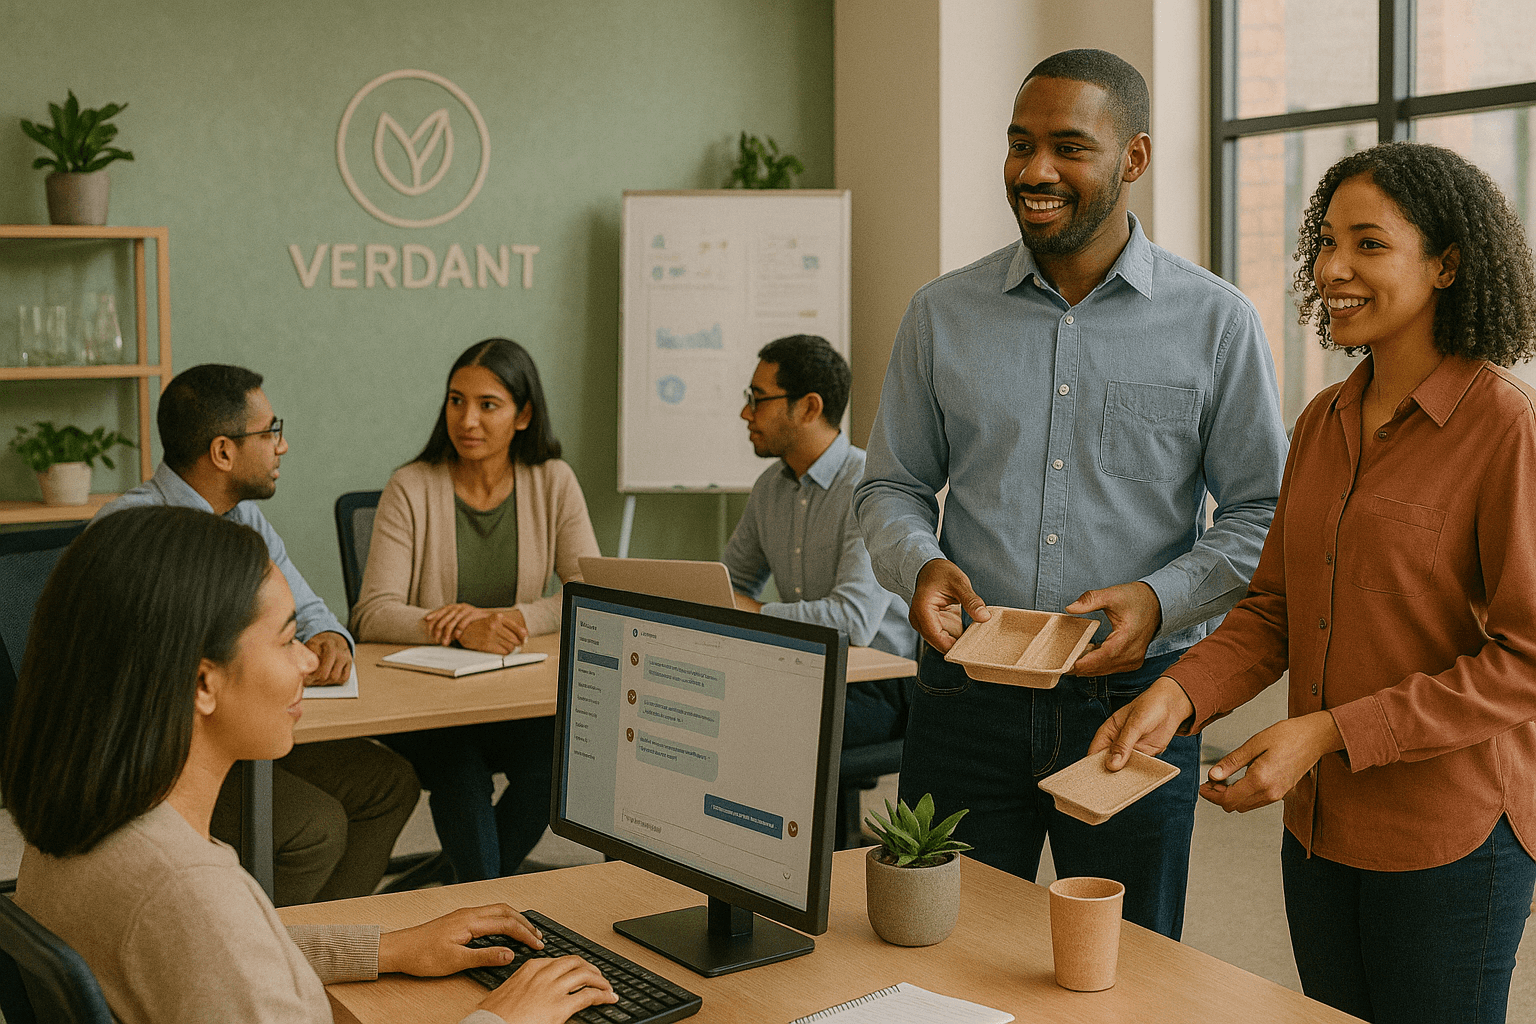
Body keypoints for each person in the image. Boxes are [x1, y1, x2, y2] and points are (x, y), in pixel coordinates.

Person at [1091, 142, 1536, 1024]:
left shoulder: (1503, 426)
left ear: (1448, 263)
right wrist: (1177, 698)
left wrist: (1329, 732)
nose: (1333, 268)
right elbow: (1276, 612)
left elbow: (1526, 659)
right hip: (1319, 830)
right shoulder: (1322, 423)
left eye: (1368, 244)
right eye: (1326, 242)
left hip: (1450, 837)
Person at [851, 48, 1288, 939]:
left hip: (1129, 710)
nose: (1033, 171)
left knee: (1123, 971)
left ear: (1134, 158)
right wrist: (921, 565)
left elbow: (1262, 514)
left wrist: (1158, 601)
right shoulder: (943, 314)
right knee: (947, 951)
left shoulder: (1215, 324)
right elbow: (890, 486)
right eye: (1018, 145)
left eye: (1066, 147)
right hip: (964, 698)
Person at [4, 506, 616, 1024]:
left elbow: (221, 958)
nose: (305, 662)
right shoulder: (188, 889)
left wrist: (385, 947)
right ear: (201, 682)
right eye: (286, 639)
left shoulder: (79, 830)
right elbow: (210, 938)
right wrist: (503, 1017)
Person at [96, 363, 418, 906]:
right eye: (270, 432)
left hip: (244, 724)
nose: (282, 446)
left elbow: (311, 610)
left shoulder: (243, 517)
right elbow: (154, 682)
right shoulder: (134, 531)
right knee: (315, 827)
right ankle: (278, 961)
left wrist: (330, 639)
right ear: (223, 452)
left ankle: (316, 953)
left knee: (387, 783)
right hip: (166, 755)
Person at [352, 338, 600, 881]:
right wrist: (461, 628)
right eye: (456, 400)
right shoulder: (411, 485)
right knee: (460, 772)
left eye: (488, 404)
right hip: (426, 699)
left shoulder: (553, 481)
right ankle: (486, 910)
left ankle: (445, 889)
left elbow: (591, 590)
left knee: (557, 764)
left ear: (523, 414)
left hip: (514, 694)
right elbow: (372, 613)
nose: (467, 419)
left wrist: (514, 620)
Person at [723, 334, 916, 748]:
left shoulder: (869, 485)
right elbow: (729, 585)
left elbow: (854, 622)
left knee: (753, 728)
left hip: (878, 682)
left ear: (809, 407)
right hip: (802, 667)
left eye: (758, 399)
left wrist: (755, 612)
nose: (745, 412)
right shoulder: (769, 488)